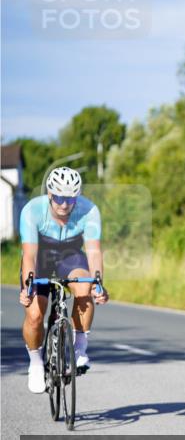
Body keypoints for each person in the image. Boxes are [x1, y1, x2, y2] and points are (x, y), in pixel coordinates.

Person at [18, 167, 109, 393]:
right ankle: (36, 362)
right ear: (50, 193)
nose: (64, 204)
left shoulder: (89, 211)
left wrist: (98, 284)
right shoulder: (32, 210)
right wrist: (28, 286)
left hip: (70, 254)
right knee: (35, 315)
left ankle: (79, 348)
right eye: (59, 197)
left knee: (84, 288)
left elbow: (94, 253)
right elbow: (29, 255)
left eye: (70, 198)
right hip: (40, 256)